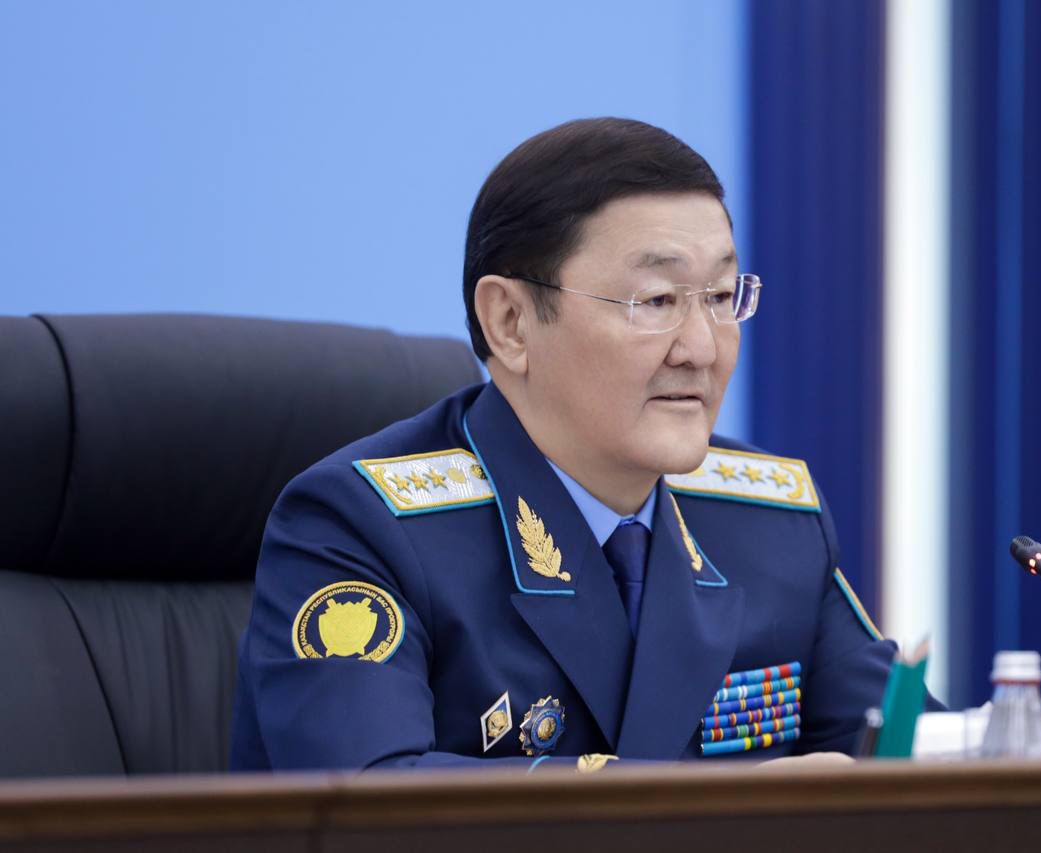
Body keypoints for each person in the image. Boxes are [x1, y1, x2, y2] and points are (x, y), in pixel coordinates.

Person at [230, 117, 931, 772]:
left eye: (721, 298)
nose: (702, 348)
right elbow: (374, 801)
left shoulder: (772, 523)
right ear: (510, 322)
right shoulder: (358, 528)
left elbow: (913, 757)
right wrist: (731, 816)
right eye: (657, 301)